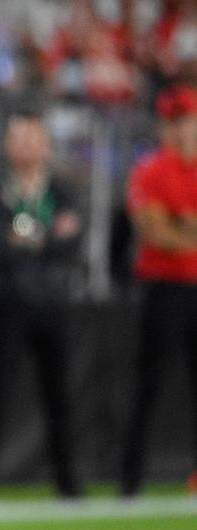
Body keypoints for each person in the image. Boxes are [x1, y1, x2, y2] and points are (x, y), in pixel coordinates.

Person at [0, 109, 85, 500]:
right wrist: (47, 238)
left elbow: (72, 239)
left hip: (54, 302)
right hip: (10, 303)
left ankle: (68, 483)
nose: (25, 147)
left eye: (32, 138)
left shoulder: (62, 188)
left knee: (61, 396)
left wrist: (29, 240)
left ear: (46, 145)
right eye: (18, 139)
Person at [121, 85, 197, 496]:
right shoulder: (151, 170)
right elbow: (155, 232)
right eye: (174, 121)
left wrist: (181, 224)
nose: (181, 129)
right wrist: (179, 227)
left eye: (186, 120)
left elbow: (170, 230)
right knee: (148, 386)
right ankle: (130, 481)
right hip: (163, 287)